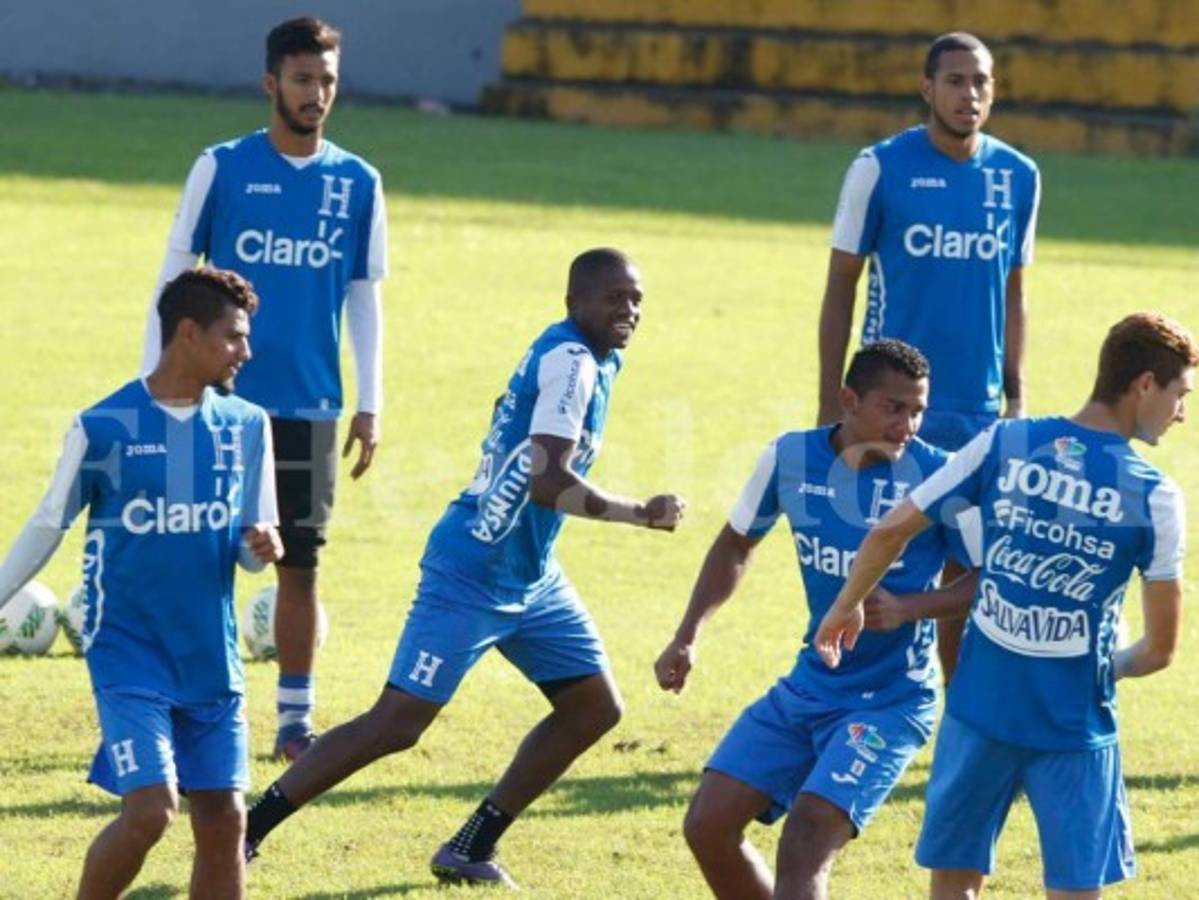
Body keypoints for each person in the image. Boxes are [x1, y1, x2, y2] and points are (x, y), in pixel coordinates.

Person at [242, 248, 685, 886]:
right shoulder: (570, 363)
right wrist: (640, 512)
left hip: (530, 575)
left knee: (593, 708)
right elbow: (547, 481)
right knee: (396, 723)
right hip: (473, 570)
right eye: (614, 298)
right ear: (574, 304)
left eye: (637, 298)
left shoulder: (589, 359)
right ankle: (246, 830)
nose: (630, 310)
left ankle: (470, 847)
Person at [814, 313, 1196, 898]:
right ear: (1145, 384)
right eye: (1180, 395)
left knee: (955, 884)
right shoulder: (1155, 496)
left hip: (979, 712)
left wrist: (845, 605)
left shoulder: (1005, 442)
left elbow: (891, 530)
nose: (1182, 414)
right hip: (1075, 726)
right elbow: (1161, 650)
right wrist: (1105, 665)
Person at [140, 16, 389, 760]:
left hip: (309, 403)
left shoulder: (358, 182)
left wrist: (370, 399)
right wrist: (160, 384)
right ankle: (184, 706)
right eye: (304, 79)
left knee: (300, 565)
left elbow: (364, 296)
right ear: (271, 83)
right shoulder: (220, 166)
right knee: (195, 556)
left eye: (328, 82)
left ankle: (293, 720)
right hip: (214, 400)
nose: (317, 95)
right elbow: (173, 278)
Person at [655, 340, 977, 899]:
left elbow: (987, 578)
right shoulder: (790, 458)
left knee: (805, 838)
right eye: (893, 408)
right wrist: (688, 635)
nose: (908, 425)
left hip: (893, 699)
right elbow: (735, 543)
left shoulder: (939, 476)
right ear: (848, 400)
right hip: (811, 683)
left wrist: (908, 608)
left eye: (918, 410)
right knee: (707, 825)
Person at [0, 268, 282, 900]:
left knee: (226, 820)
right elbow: (48, 524)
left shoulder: (247, 425)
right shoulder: (104, 427)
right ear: (188, 334)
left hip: (212, 653)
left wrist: (262, 545)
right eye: (234, 336)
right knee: (153, 810)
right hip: (129, 651)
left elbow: (254, 550)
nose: (247, 351)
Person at [816, 31, 1041, 681]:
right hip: (888, 412)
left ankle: (958, 723)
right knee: (865, 566)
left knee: (971, 576)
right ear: (926, 88)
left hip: (975, 413)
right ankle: (841, 701)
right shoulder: (878, 168)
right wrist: (832, 398)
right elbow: (839, 289)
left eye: (981, 82)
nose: (969, 94)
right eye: (954, 80)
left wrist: (1014, 395)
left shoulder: (1017, 177)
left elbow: (1014, 292)